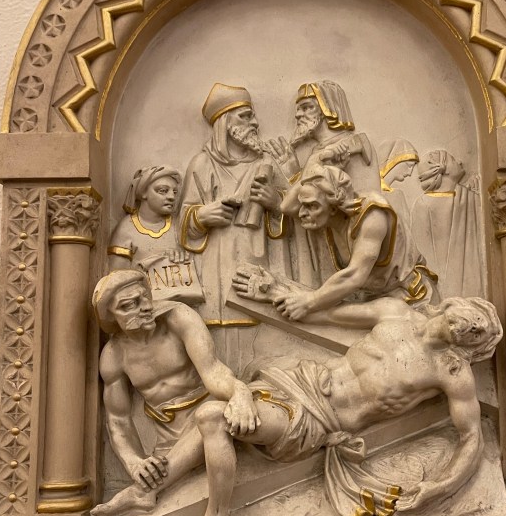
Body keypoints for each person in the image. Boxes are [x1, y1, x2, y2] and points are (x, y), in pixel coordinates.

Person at [170, 286, 502, 516]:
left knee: (213, 416)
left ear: (473, 346)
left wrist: (440, 486)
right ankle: (152, 487)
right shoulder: (395, 312)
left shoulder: (451, 371)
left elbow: (471, 436)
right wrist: (272, 290)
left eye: (480, 332)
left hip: (315, 419)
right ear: (454, 304)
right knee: (216, 412)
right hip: (301, 379)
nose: (475, 326)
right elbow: (326, 312)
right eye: (478, 316)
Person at [89, 269, 257, 516]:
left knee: (210, 419)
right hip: (168, 436)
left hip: (207, 412)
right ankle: (146, 486)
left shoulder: (179, 318)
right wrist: (134, 462)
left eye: (144, 298)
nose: (143, 307)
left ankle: (145, 492)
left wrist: (240, 393)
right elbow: (118, 420)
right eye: (128, 305)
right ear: (111, 317)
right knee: (176, 450)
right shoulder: (114, 356)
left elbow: (213, 371)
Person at [179, 83, 289, 369]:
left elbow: (298, 213)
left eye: (252, 115)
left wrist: (275, 203)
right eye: (245, 116)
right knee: (218, 342)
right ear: (225, 122)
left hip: (256, 264)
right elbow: (185, 218)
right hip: (215, 268)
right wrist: (202, 216)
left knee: (259, 340)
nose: (255, 122)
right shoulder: (202, 164)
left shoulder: (267, 163)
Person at [262, 163, 437, 321]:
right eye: (303, 205)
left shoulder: (372, 216)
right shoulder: (326, 218)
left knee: (321, 317)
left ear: (334, 206)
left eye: (312, 206)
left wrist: (309, 302)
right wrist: (315, 161)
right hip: (373, 302)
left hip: (412, 301)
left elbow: (354, 276)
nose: (301, 213)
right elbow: (287, 208)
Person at [108, 165, 203, 304]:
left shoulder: (178, 225)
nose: (171, 197)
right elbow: (116, 280)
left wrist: (181, 259)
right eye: (162, 191)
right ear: (143, 193)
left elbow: (196, 263)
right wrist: (149, 265)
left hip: (178, 300)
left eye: (175, 192)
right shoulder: (126, 230)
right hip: (141, 305)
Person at [411, 149, 484, 297]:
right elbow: (421, 254)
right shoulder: (424, 205)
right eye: (453, 160)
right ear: (442, 169)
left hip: (471, 293)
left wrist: (479, 188)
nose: (460, 162)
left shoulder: (470, 197)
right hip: (438, 292)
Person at [378, 138, 419, 222]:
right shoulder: (397, 196)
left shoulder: (397, 195)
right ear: (393, 161)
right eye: (409, 165)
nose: (410, 173)